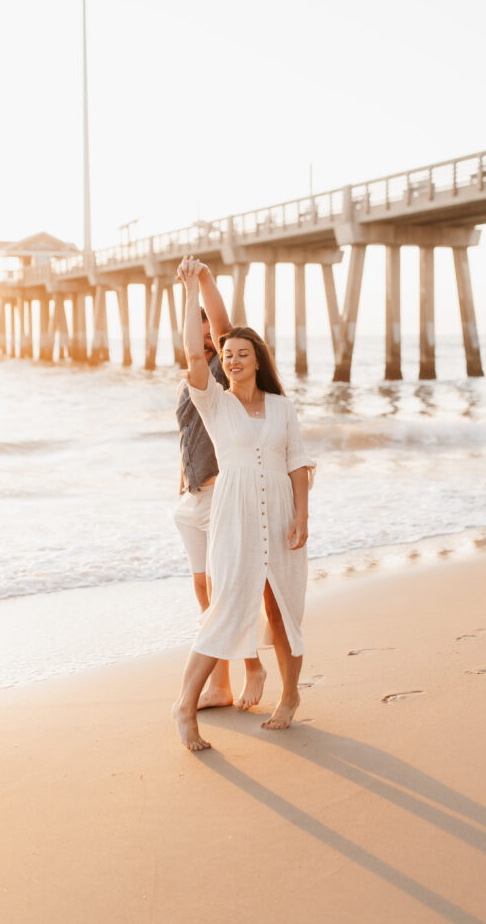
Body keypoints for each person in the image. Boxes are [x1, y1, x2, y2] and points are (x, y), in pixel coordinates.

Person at [173, 256, 314, 752]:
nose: (230, 359)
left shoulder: (281, 408)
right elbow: (195, 352)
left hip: (279, 513)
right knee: (227, 604)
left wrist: (301, 515)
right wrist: (190, 291)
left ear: (257, 360)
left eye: (239, 354)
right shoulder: (213, 401)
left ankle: (290, 696)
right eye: (225, 354)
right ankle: (184, 707)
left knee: (283, 612)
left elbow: (299, 464)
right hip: (231, 515)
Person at [174, 264, 266, 711]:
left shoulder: (220, 369)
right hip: (190, 501)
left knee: (227, 588)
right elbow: (187, 439)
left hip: (220, 496)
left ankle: (250, 667)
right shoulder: (186, 381)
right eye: (197, 325)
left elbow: (225, 326)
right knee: (205, 593)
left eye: (208, 325)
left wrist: (203, 284)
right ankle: (220, 684)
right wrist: (180, 488)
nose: (206, 331)